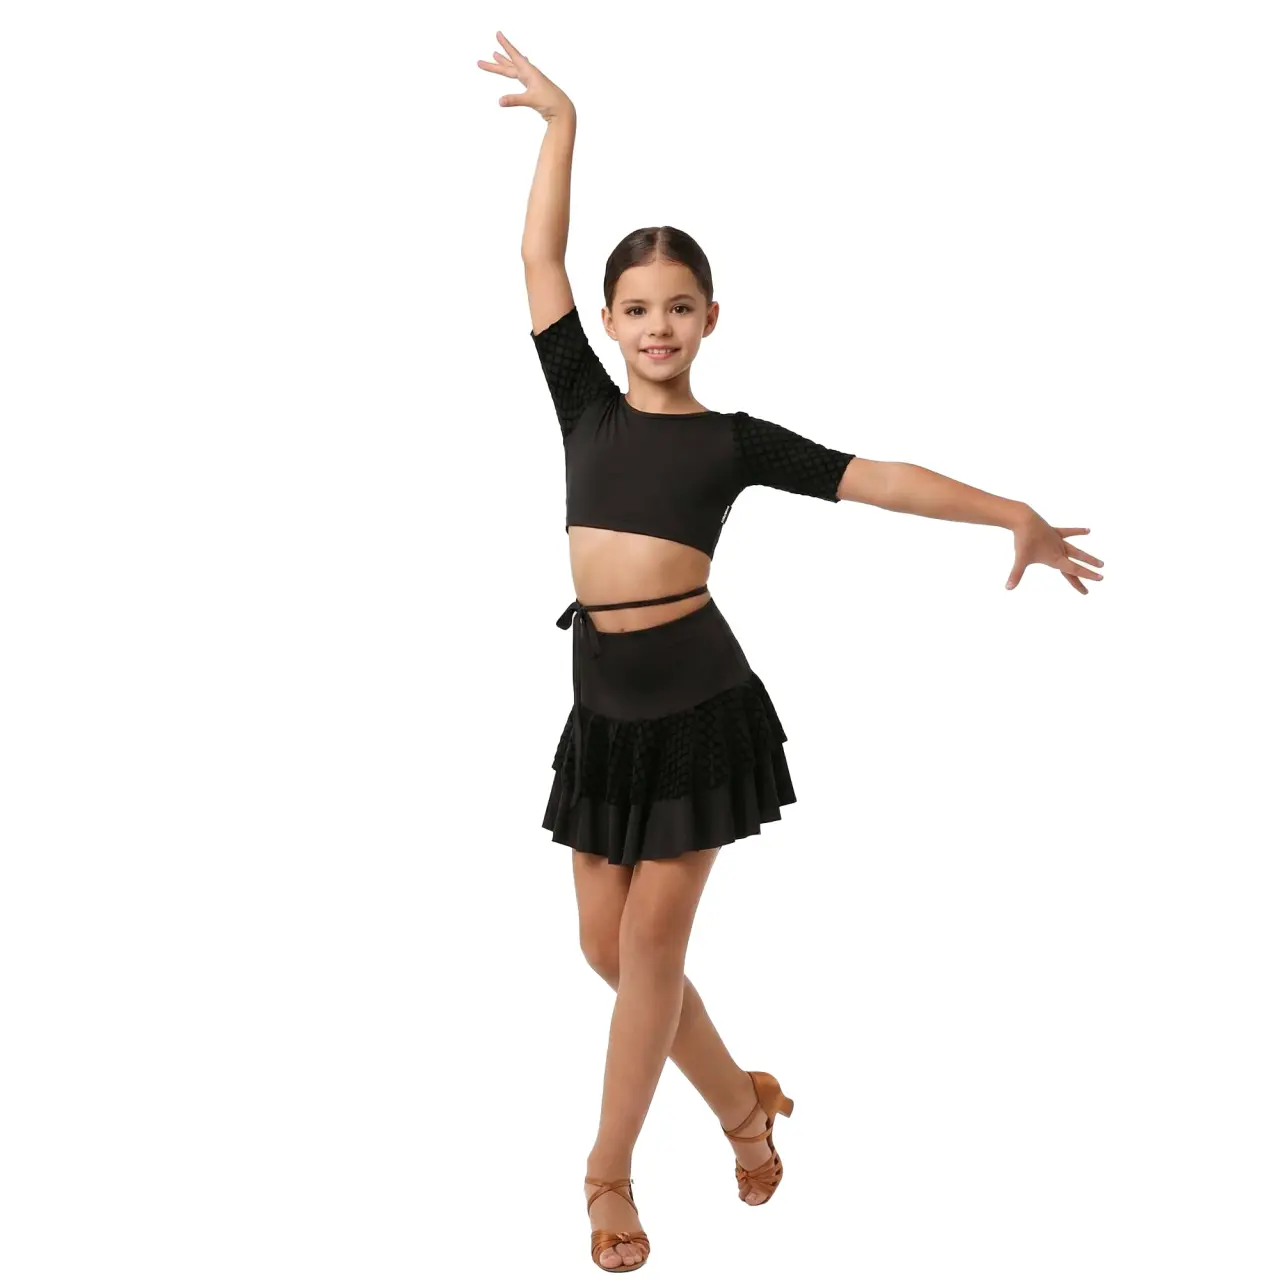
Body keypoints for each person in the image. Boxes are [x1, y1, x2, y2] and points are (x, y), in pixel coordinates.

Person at [478, 31, 1105, 1273]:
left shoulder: (731, 441)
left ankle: (606, 1174)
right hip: (600, 712)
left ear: (710, 317)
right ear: (607, 321)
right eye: (636, 307)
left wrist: (1010, 514)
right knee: (603, 951)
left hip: (697, 708)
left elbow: (877, 478)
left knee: (648, 951)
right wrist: (563, 125)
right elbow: (537, 255)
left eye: (678, 306)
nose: (657, 324)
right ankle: (742, 1103)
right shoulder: (582, 404)